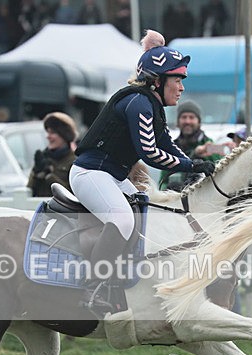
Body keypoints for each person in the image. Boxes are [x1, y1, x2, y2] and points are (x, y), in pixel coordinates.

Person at [71, 29, 214, 314]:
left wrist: (197, 165)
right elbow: (150, 153)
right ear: (157, 81)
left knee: (148, 212)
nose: (181, 88)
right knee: (123, 220)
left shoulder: (151, 104)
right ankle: (92, 287)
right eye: (177, 80)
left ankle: (125, 280)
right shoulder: (138, 103)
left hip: (110, 176)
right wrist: (191, 165)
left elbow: (167, 145)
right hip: (90, 174)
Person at [159, 99, 222, 191]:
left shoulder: (210, 145)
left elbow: (220, 172)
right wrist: (167, 190)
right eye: (184, 117)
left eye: (191, 117)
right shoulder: (171, 147)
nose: (187, 121)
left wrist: (200, 156)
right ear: (178, 122)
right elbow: (163, 181)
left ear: (199, 121)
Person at [28, 112, 78, 197]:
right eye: (48, 132)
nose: (48, 136)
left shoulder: (74, 162)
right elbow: (29, 191)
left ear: (64, 135)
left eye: (52, 133)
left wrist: (49, 176)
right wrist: (37, 174)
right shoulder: (43, 158)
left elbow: (72, 195)